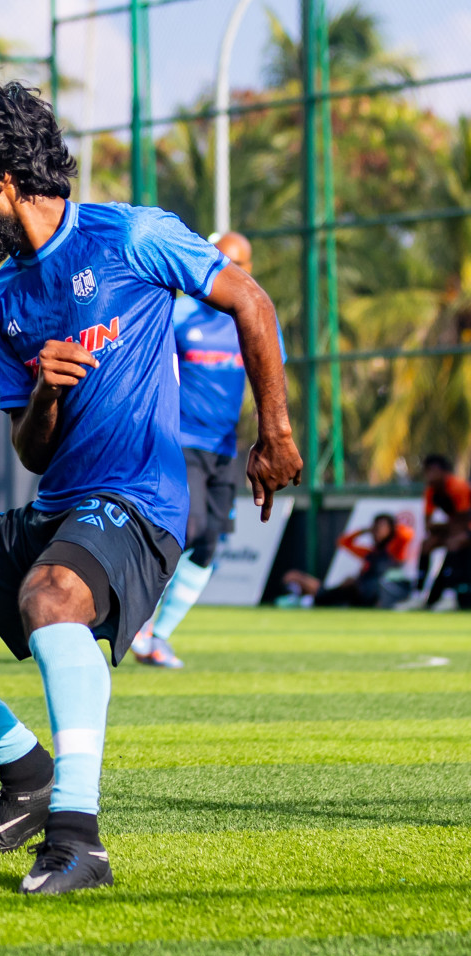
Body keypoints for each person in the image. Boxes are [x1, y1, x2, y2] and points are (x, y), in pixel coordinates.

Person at [0, 74, 299, 894]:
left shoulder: (131, 236)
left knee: (53, 597)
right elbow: (31, 450)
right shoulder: (5, 302)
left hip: (139, 506)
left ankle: (78, 837)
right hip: (58, 505)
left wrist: (274, 431)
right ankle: (23, 772)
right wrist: (51, 391)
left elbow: (250, 300)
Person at [129, 231, 282, 668]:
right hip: (179, 441)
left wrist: (270, 437)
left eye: (241, 263)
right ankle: (134, 620)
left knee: (209, 545)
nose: (234, 270)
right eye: (224, 261)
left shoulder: (253, 318)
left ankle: (156, 636)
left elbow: (270, 379)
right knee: (188, 529)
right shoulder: (179, 313)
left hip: (224, 448)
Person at [279, 513, 413, 608]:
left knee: (341, 588)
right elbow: (343, 542)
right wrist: (365, 530)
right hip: (355, 592)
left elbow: (407, 534)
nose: (378, 530)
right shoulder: (369, 552)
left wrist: (392, 526)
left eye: (382, 527)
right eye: (376, 527)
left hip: (372, 596)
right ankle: (304, 596)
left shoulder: (394, 551)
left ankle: (308, 598)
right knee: (293, 577)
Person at [407, 454, 471, 609]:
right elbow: (429, 524)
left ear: (444, 472)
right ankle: (417, 596)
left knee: (454, 543)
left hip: (466, 528)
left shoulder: (458, 487)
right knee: (427, 544)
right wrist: (443, 528)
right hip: (453, 529)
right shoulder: (431, 491)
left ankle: (449, 596)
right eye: (427, 471)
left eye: (433, 471)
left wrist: (442, 527)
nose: (429, 475)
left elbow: (463, 520)